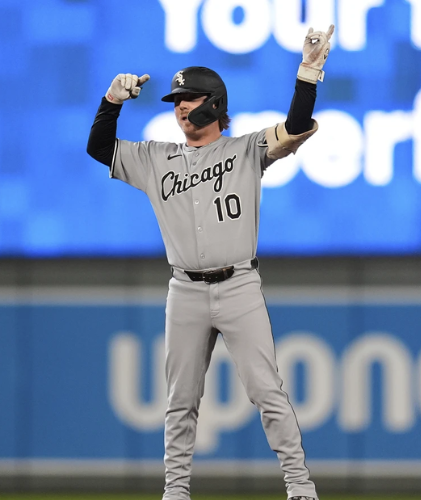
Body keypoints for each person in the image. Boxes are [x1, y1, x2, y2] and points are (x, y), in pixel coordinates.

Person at [87, 24, 335, 500]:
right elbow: (100, 148)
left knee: (267, 393)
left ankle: (300, 486)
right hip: (184, 289)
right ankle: (176, 491)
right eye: (176, 100)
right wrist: (111, 101)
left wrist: (307, 74)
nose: (180, 106)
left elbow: (296, 127)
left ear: (215, 104)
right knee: (180, 399)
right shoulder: (156, 159)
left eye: (189, 98)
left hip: (239, 285)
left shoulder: (245, 149)